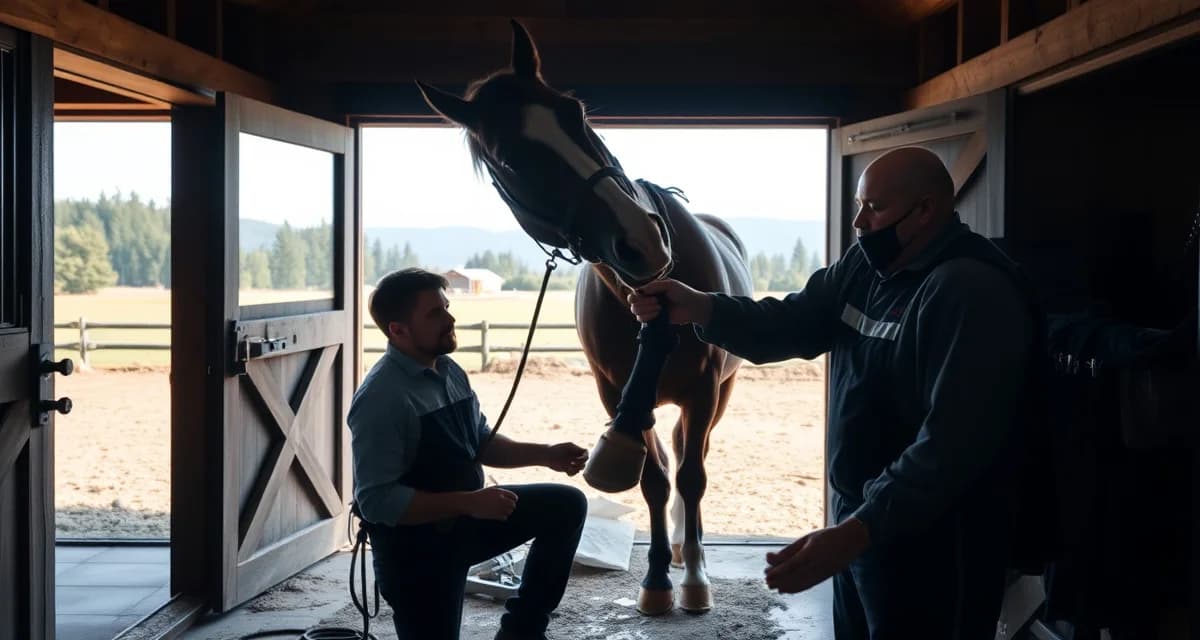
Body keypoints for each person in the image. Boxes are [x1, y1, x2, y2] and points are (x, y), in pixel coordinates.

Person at [628, 147, 1036, 639]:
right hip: (862, 525)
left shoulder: (969, 292)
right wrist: (699, 308)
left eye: (876, 208)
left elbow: (952, 446)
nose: (860, 222)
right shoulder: (865, 269)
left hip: (934, 541)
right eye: (859, 206)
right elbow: (792, 323)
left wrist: (859, 530)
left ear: (927, 209)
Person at [349, 267, 590, 640]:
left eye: (446, 307)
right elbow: (377, 501)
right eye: (434, 313)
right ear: (398, 330)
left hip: (465, 523)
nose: (450, 319)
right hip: (415, 555)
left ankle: (521, 632)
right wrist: (469, 503)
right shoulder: (381, 399)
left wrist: (546, 454)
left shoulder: (448, 370)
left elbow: (480, 441)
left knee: (567, 505)